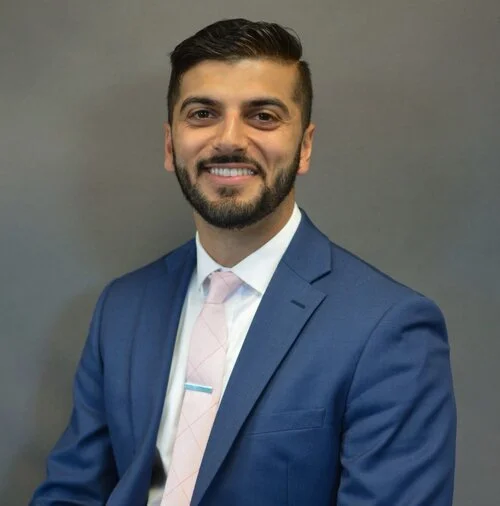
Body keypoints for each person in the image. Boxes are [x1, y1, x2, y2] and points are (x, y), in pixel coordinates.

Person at [31, 18, 456, 506]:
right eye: (202, 114)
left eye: (263, 116)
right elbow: (73, 492)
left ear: (305, 147)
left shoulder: (388, 328)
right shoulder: (122, 307)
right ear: (171, 144)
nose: (229, 139)